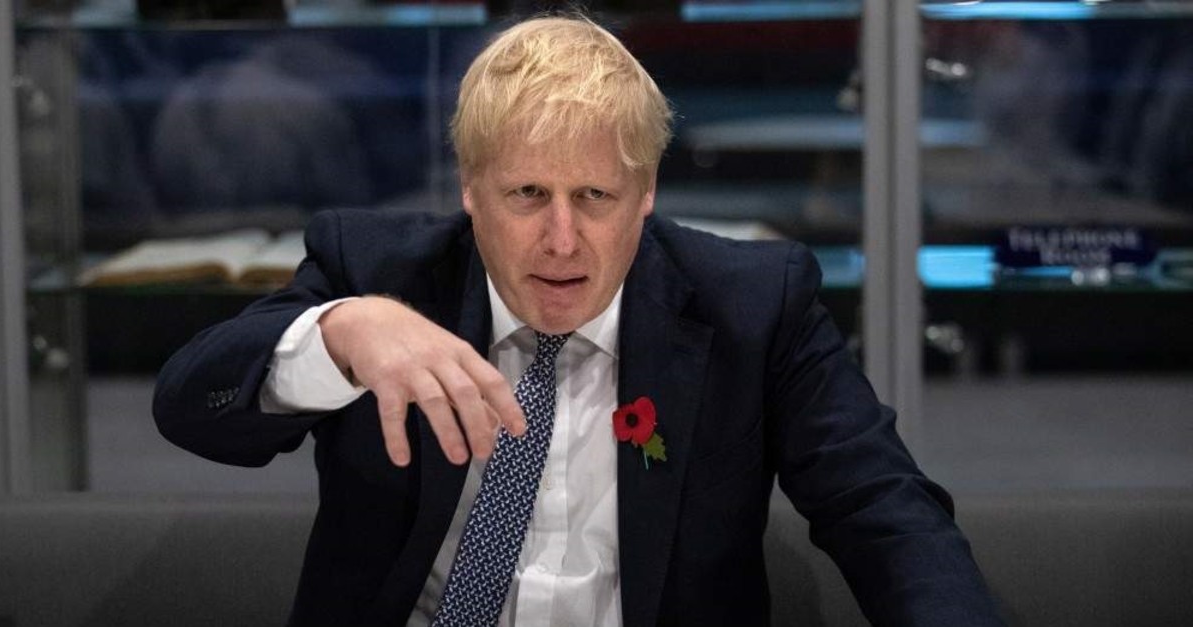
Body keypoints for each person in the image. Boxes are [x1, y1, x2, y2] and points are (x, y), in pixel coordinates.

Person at [153, 15, 1004, 627]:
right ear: (469, 188)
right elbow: (191, 406)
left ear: (647, 195)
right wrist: (340, 333)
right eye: (527, 194)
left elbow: (883, 509)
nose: (562, 240)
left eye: (594, 196)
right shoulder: (378, 273)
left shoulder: (752, 301)